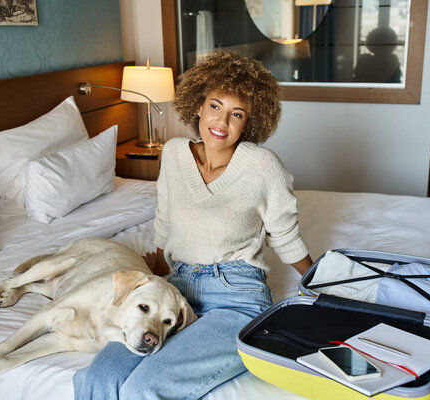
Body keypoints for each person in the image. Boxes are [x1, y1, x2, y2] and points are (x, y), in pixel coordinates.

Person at [73, 50, 313, 400]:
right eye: (215, 106)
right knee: (99, 377)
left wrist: (322, 284)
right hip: (173, 293)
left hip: (235, 298)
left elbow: (286, 236)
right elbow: (165, 219)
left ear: (249, 123)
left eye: (237, 113)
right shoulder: (172, 153)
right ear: (198, 105)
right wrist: (157, 264)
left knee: (145, 387)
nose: (222, 121)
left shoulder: (263, 165)